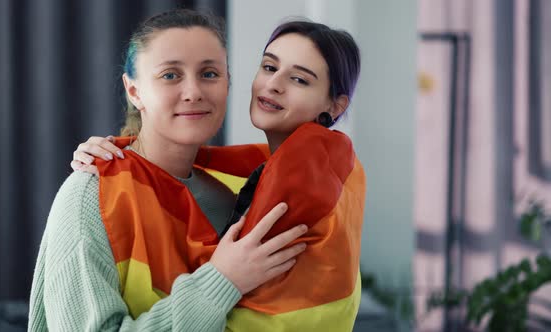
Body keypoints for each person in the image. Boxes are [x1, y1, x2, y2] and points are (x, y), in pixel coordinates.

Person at [73, 18, 366, 331]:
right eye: (269, 67)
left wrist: (222, 279)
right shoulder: (93, 193)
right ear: (134, 90)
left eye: (299, 79)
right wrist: (122, 152)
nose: (274, 84)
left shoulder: (297, 183)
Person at [28, 9, 309, 332]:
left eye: (209, 74)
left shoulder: (240, 191)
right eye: (170, 75)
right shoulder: (90, 195)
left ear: (228, 83)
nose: (193, 92)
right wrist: (221, 281)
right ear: (134, 91)